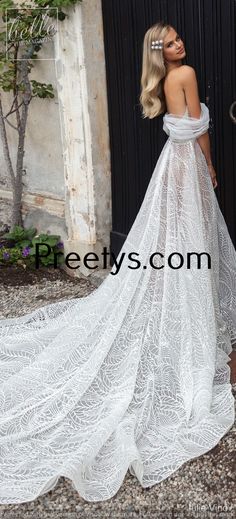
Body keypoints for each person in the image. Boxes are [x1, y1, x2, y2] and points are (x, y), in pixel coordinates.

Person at [0, 21, 235, 505]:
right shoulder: (185, 73)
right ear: (161, 51)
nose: (179, 45)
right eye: (168, 42)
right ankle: (188, 314)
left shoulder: (165, 78)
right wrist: (210, 168)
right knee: (189, 242)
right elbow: (197, 128)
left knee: (175, 244)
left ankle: (180, 304)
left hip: (172, 163)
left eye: (177, 39)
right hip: (186, 163)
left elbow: (180, 126)